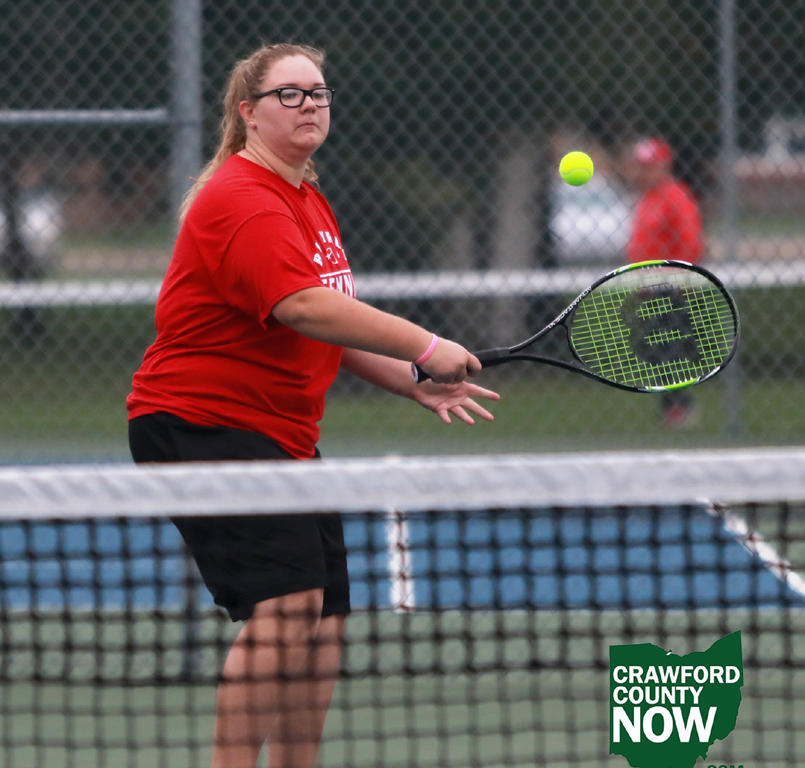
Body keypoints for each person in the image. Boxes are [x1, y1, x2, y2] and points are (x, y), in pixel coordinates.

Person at [126, 43, 499, 768]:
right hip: (202, 422)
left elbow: (328, 319)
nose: (309, 105)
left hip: (279, 434)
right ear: (249, 112)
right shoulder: (242, 197)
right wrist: (427, 344)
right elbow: (301, 305)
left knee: (323, 620)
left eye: (319, 93)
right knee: (288, 605)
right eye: (289, 94)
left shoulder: (306, 199)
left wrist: (409, 379)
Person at [625, 136, 704, 427]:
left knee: (671, 348)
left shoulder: (675, 196)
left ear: (664, 165)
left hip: (671, 287)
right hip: (649, 288)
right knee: (656, 349)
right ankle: (670, 406)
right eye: (640, 166)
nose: (643, 173)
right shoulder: (647, 198)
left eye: (649, 166)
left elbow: (691, 241)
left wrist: (680, 277)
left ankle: (679, 407)